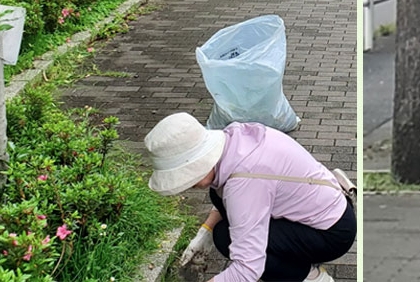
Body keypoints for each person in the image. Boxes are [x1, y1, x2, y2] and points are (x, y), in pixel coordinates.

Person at [145, 112, 355, 282]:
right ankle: (295, 260)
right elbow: (232, 199)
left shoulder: (244, 182)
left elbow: (248, 269)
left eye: (187, 176)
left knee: (226, 238)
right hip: (327, 206)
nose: (187, 185)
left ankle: (311, 278)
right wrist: (205, 232)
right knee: (218, 203)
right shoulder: (233, 139)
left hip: (331, 233)